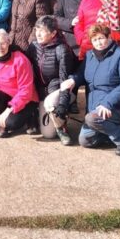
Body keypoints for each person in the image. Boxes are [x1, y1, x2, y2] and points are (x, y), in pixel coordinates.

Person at [61, 24, 120, 156]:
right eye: (95, 40)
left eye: (101, 38)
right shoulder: (90, 56)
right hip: (95, 107)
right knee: (85, 140)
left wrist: (108, 102)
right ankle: (110, 132)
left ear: (108, 37)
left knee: (91, 119)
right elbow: (82, 74)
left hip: (118, 106)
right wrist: (73, 79)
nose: (99, 42)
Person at [26, 16, 75, 144]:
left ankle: (61, 127)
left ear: (53, 33)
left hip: (58, 90)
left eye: (42, 31)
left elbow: (65, 80)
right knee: (47, 134)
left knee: (51, 132)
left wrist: (63, 105)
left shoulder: (62, 49)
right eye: (37, 30)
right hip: (41, 91)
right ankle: (34, 118)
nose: (38, 34)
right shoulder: (33, 46)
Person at [0, 29, 39, 138]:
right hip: (4, 97)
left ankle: (31, 115)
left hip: (26, 99)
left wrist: (10, 109)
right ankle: (2, 123)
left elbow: (26, 91)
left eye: (3, 43)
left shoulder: (20, 60)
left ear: (9, 42)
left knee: (12, 124)